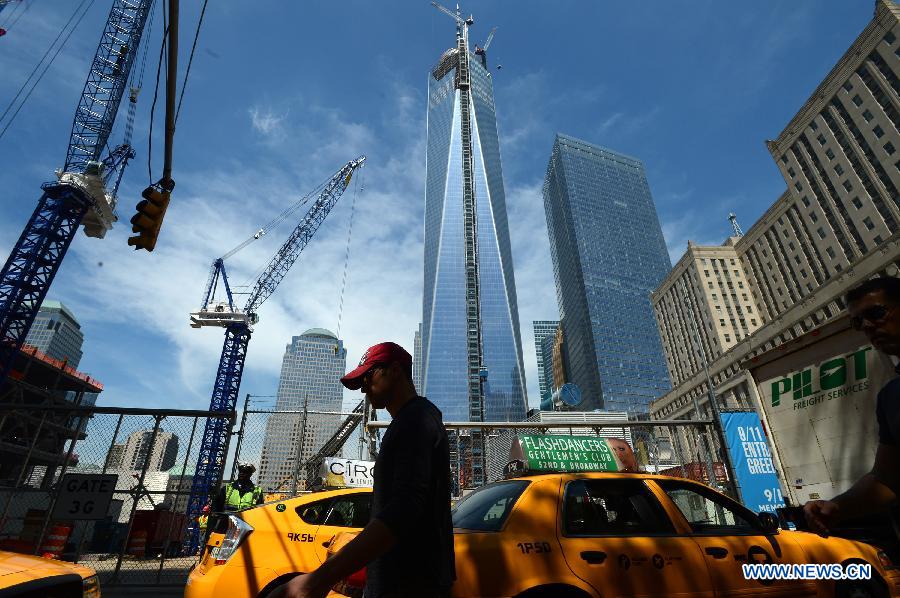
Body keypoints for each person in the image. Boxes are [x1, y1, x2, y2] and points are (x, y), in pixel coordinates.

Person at [277, 341, 455, 598]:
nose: (363, 388)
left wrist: (316, 581)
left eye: (368, 376)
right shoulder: (410, 421)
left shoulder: (415, 421)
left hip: (408, 585)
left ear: (394, 370)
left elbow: (403, 509)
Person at [804, 277, 900, 534]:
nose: (867, 326)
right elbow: (886, 480)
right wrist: (837, 507)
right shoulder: (891, 398)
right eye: (858, 322)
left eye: (876, 313)